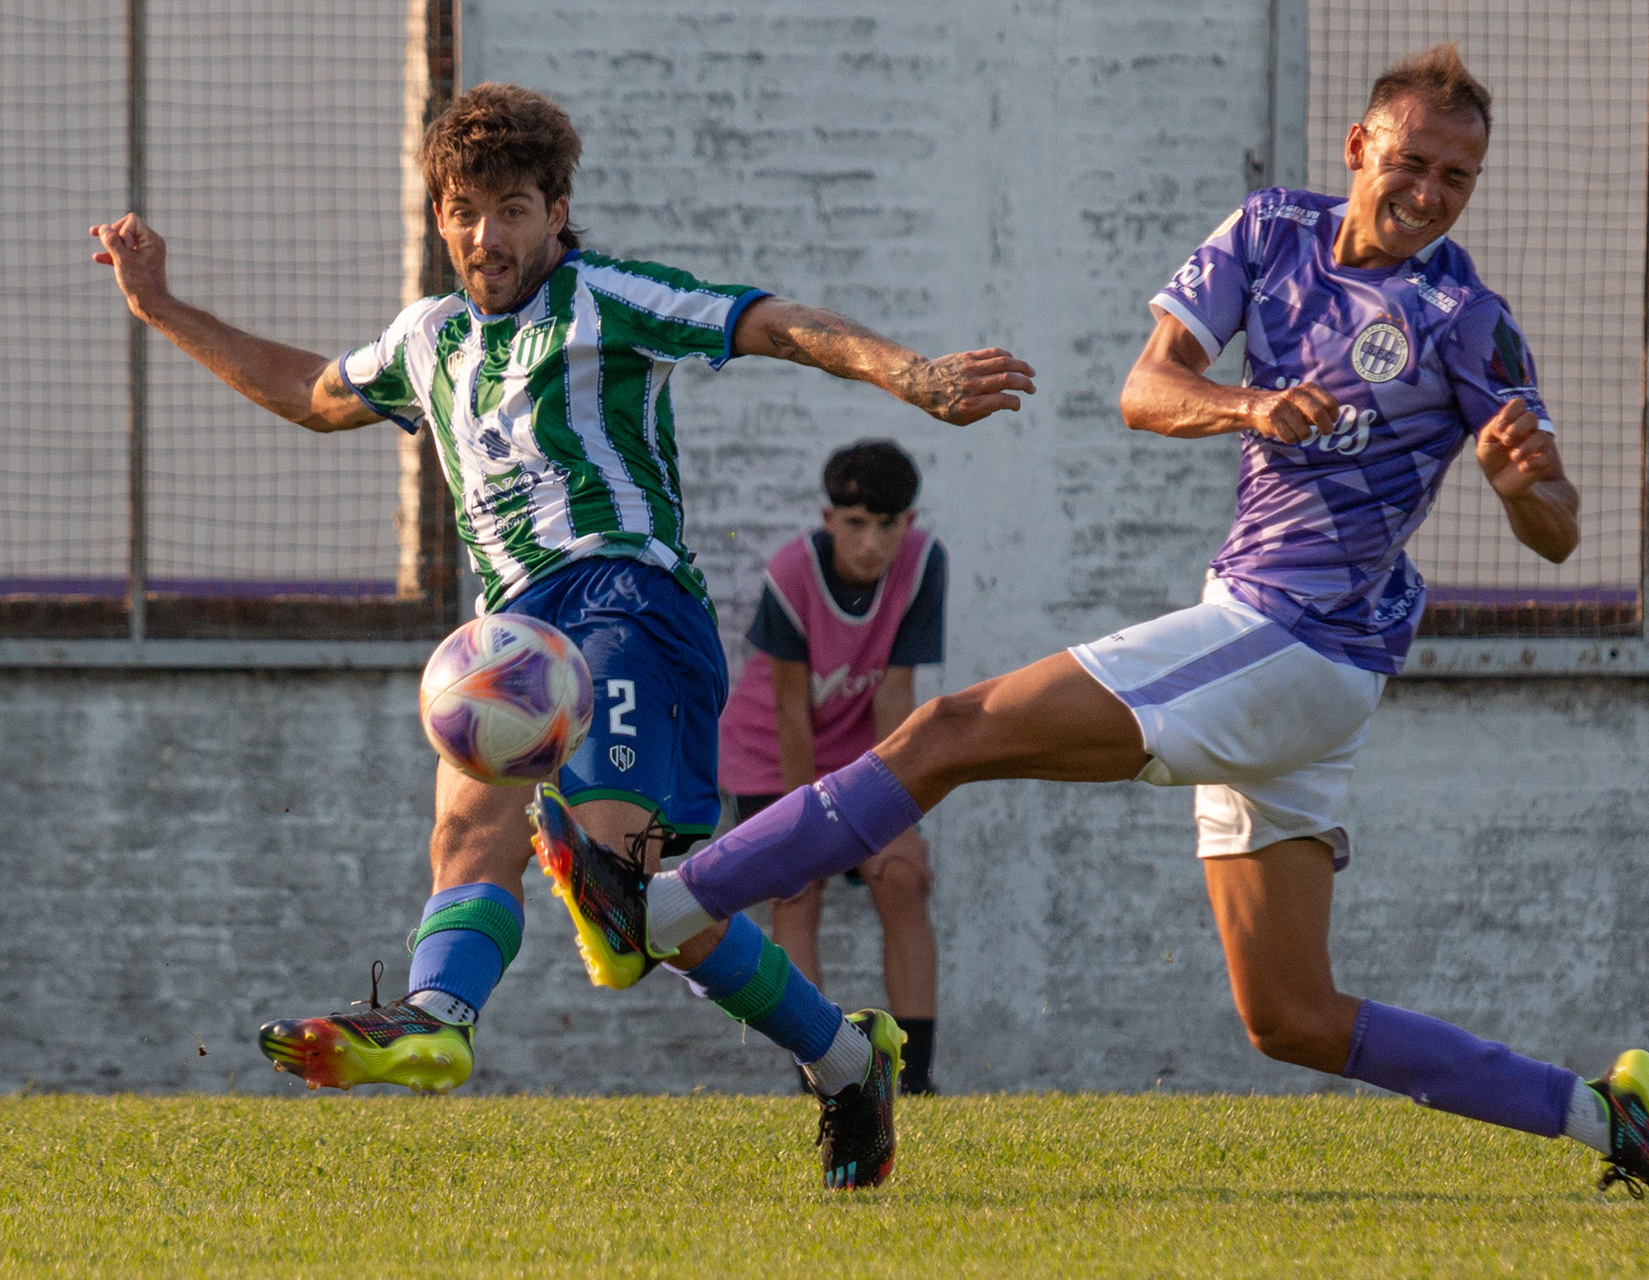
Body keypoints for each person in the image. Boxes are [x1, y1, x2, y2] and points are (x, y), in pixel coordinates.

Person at [539, 44, 1649, 1210]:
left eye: (1455, 179)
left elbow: (1561, 529)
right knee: (1292, 1017)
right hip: (1283, 653)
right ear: (1359, 146)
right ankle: (1610, 1115)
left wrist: (1528, 480)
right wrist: (1252, 402)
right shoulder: (1271, 231)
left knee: (952, 728)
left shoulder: (1465, 316)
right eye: (1410, 163)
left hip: (1297, 640)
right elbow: (1144, 388)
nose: (1427, 193)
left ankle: (670, 902)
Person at [89, 82, 1034, 1190]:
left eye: (513, 209)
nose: (487, 236)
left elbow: (770, 321)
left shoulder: (607, 299)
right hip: (512, 636)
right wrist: (161, 306)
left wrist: (910, 375)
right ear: (440, 215)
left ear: (556, 210)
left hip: (629, 606)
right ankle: (454, 1015)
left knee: (631, 899)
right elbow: (307, 390)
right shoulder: (427, 339)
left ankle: (794, 1024)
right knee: (508, 850)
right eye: (465, 210)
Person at [718, 440, 945, 1095]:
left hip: (863, 755)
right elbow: (791, 714)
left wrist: (898, 813)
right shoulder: (792, 572)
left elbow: (896, 696)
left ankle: (916, 1080)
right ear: (827, 519)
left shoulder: (924, 564)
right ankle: (818, 1078)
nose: (871, 542)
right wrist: (804, 835)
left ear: (909, 521)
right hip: (770, 757)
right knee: (796, 891)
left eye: (887, 525)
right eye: (854, 524)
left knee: (902, 874)